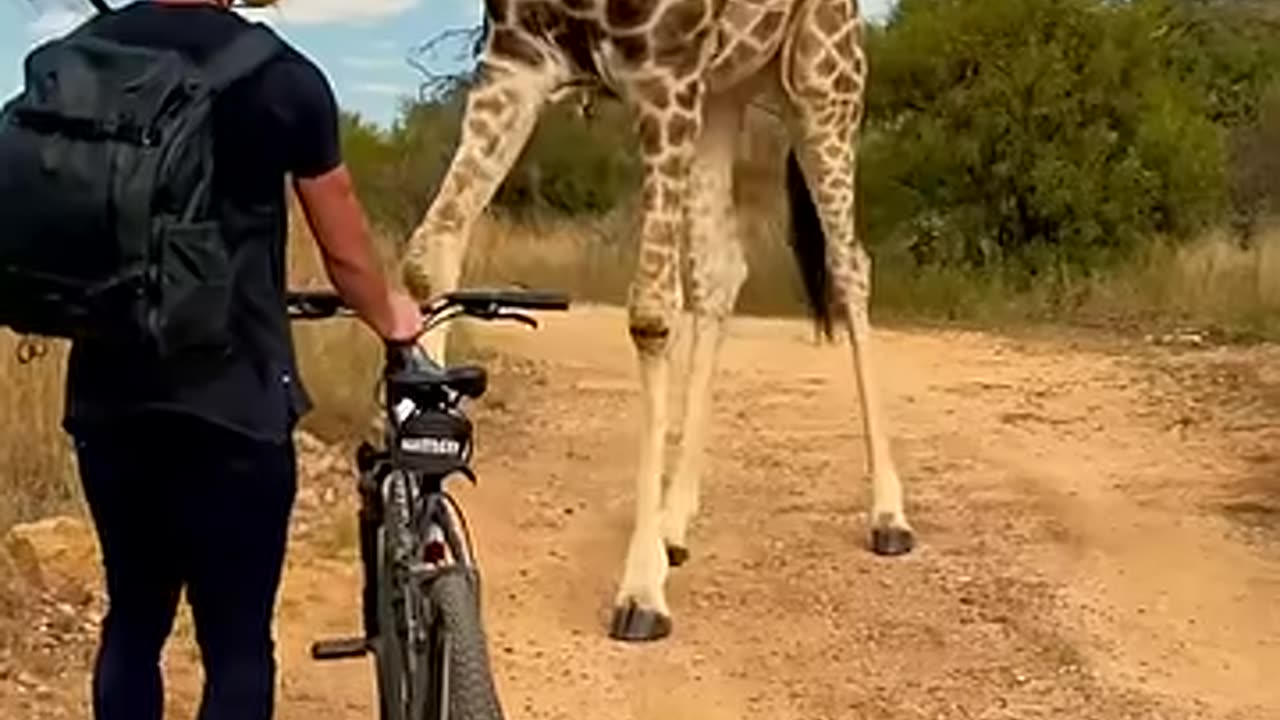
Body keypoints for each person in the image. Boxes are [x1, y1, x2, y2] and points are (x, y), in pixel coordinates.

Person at [46, 1, 422, 718]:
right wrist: (390, 317)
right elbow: (343, 246)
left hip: (109, 395)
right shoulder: (281, 78)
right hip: (234, 402)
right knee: (237, 642)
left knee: (133, 621)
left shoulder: (82, 54)